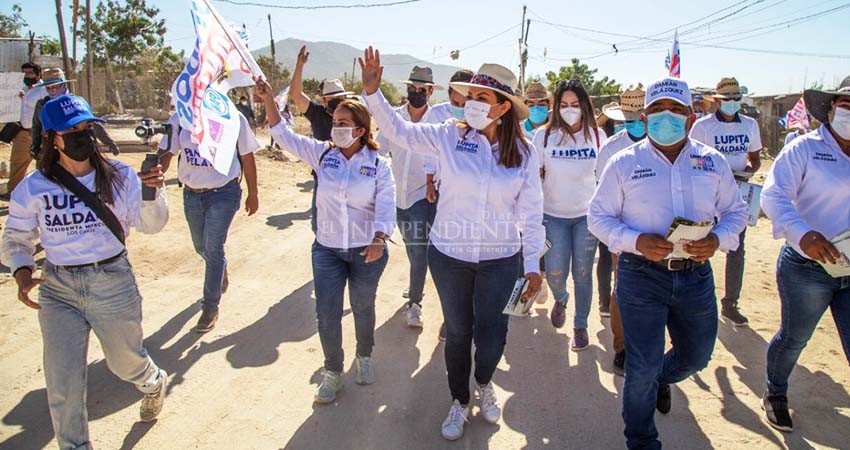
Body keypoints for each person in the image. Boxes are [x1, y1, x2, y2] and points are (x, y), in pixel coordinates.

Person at [360, 47, 545, 441]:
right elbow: (400, 132)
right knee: (459, 332)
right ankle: (459, 401)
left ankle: (484, 381)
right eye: (471, 96)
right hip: (449, 257)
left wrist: (533, 265)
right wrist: (373, 94)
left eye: (483, 98)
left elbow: (531, 213)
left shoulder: (524, 154)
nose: (472, 104)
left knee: (493, 335)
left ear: (503, 108)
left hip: (500, 259)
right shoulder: (448, 135)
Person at [1, 94, 169, 450]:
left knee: (125, 364)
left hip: (111, 281)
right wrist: (21, 270)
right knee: (62, 380)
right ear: (51, 139)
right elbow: (17, 235)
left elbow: (151, 225)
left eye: (86, 127)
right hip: (58, 287)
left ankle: (153, 381)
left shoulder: (121, 176)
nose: (83, 135)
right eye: (72, 130)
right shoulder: (34, 186)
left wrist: (153, 193)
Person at [588, 77, 748, 450]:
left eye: (676, 110)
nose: (667, 117)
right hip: (640, 275)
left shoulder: (713, 162)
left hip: (695, 277)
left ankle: (659, 378)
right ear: (644, 116)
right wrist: (636, 241)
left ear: (691, 118)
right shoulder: (623, 162)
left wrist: (717, 240)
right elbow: (598, 217)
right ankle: (642, 439)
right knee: (640, 364)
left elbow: (735, 212)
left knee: (696, 356)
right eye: (658, 109)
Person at [256, 76, 396, 404]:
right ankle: (333, 370)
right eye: (334, 122)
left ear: (361, 130)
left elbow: (387, 205)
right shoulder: (322, 155)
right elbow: (283, 136)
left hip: (367, 251)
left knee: (362, 306)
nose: (336, 128)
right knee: (327, 311)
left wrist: (379, 238)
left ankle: (364, 356)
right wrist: (267, 102)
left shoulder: (378, 165)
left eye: (344, 123)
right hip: (327, 251)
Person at [760, 76, 850, 433]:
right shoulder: (804, 149)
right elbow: (773, 196)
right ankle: (775, 392)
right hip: (807, 267)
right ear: (831, 109)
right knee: (795, 337)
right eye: (847, 105)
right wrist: (804, 233)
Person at [158, 103, 260, 333]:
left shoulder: (234, 118)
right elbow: (167, 152)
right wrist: (157, 170)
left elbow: (247, 156)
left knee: (213, 248)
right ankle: (220, 269)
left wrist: (253, 193)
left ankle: (210, 307)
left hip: (223, 192)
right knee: (201, 247)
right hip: (192, 194)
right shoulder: (179, 118)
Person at [532, 79, 605, 351]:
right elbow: (533, 176)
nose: (569, 109)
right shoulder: (544, 137)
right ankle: (560, 298)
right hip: (553, 216)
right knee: (554, 272)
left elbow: (606, 179)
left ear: (585, 105)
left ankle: (580, 326)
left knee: (583, 273)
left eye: (575, 104)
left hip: (587, 217)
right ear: (556, 107)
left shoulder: (597, 136)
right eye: (563, 105)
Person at [376, 65, 450, 329]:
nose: (416, 93)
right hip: (398, 196)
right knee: (410, 247)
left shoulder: (438, 122)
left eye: (422, 89)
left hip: (424, 195)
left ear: (430, 91)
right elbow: (379, 151)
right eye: (412, 88)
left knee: (419, 252)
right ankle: (415, 285)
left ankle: (415, 304)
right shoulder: (393, 119)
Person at [689, 76, 763, 327]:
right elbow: (691, 158)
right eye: (727, 99)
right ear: (718, 101)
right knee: (699, 243)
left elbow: (755, 158)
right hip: (707, 191)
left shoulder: (750, 125)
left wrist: (749, 171)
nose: (732, 103)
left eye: (735, 99)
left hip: (738, 191)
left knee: (736, 247)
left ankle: (730, 303)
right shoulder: (703, 127)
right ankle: (698, 299)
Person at [594, 83, 646, 375]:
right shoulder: (611, 149)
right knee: (622, 288)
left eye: (638, 116)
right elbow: (602, 195)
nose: (634, 122)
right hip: (622, 233)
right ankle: (621, 347)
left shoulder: (668, 145)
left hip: (660, 233)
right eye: (629, 117)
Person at [288, 46, 355, 234]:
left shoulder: (353, 112)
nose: (336, 102)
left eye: (339, 98)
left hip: (350, 173)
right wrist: (299, 66)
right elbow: (296, 95)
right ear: (324, 101)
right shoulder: (316, 113)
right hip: (323, 174)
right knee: (318, 224)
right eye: (331, 99)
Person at [31, 68, 120, 159]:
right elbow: (36, 126)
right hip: (50, 151)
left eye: (55, 87)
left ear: (63, 85)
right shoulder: (42, 105)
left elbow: (92, 124)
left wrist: (110, 143)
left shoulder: (76, 102)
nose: (51, 91)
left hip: (76, 148)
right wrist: (35, 146)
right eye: (48, 88)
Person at [4, 62, 46, 199]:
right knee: (17, 163)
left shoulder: (44, 90)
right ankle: (13, 194)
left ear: (38, 74)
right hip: (23, 131)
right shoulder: (21, 89)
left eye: (30, 73)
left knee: (43, 163)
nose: (27, 76)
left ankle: (43, 195)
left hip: (40, 133)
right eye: (24, 73)